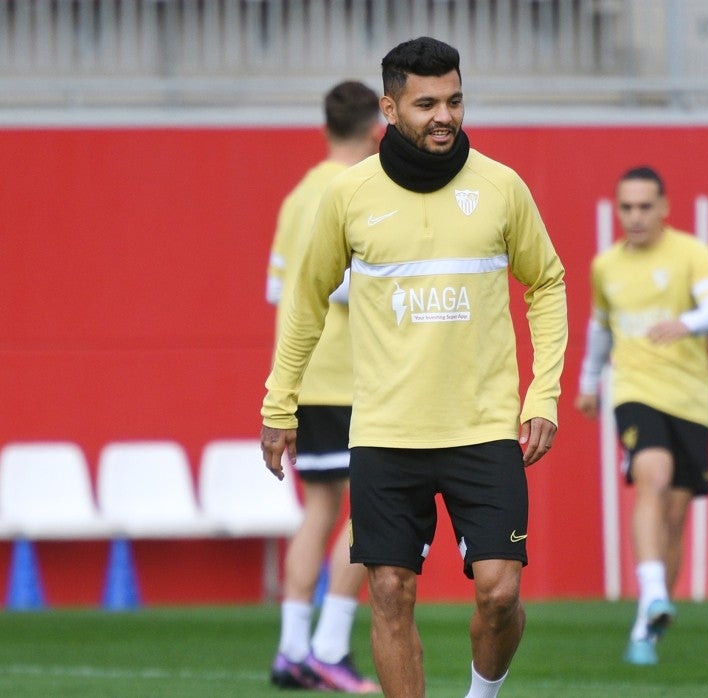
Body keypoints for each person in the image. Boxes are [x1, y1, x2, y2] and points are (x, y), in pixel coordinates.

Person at [260, 36, 567, 698]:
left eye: (454, 100)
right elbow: (305, 300)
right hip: (385, 433)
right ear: (389, 107)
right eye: (427, 103)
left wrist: (543, 395)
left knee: (498, 591)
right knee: (391, 591)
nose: (444, 116)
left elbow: (547, 284)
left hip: (483, 428)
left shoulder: (501, 187)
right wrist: (279, 405)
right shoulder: (347, 196)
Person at [575, 166, 708, 666]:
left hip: (690, 399)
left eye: (644, 206)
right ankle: (652, 595)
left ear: (664, 207)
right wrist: (587, 381)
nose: (635, 217)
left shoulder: (691, 253)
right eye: (626, 207)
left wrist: (682, 323)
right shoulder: (606, 266)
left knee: (675, 515)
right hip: (635, 390)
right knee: (653, 478)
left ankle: (647, 626)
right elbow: (600, 327)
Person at [266, 79, 383, 694]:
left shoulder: (297, 196)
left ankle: (292, 650)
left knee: (319, 509)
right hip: (349, 374)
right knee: (376, 509)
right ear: (376, 131)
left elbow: (276, 289)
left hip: (305, 376)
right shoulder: (353, 191)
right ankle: (330, 647)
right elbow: (335, 287)